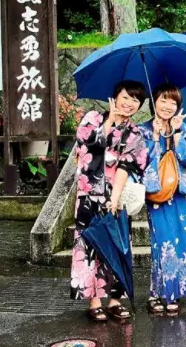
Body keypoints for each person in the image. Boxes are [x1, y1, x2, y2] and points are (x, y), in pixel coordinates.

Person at [71, 80, 148, 322]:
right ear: (115, 97)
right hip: (88, 196)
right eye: (126, 97)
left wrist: (114, 199)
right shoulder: (93, 118)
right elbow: (86, 144)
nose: (129, 103)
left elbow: (127, 166)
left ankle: (115, 300)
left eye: (135, 100)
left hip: (116, 197)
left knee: (117, 246)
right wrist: (109, 122)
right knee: (89, 247)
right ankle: (94, 302)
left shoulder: (134, 133)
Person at [139, 83, 186, 316]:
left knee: (184, 241)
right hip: (159, 195)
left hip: (182, 194)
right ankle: (159, 292)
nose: (167, 106)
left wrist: (174, 134)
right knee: (162, 243)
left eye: (172, 102)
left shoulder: (184, 129)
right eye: (163, 100)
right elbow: (141, 162)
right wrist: (154, 137)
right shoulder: (143, 130)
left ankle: (176, 292)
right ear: (154, 102)